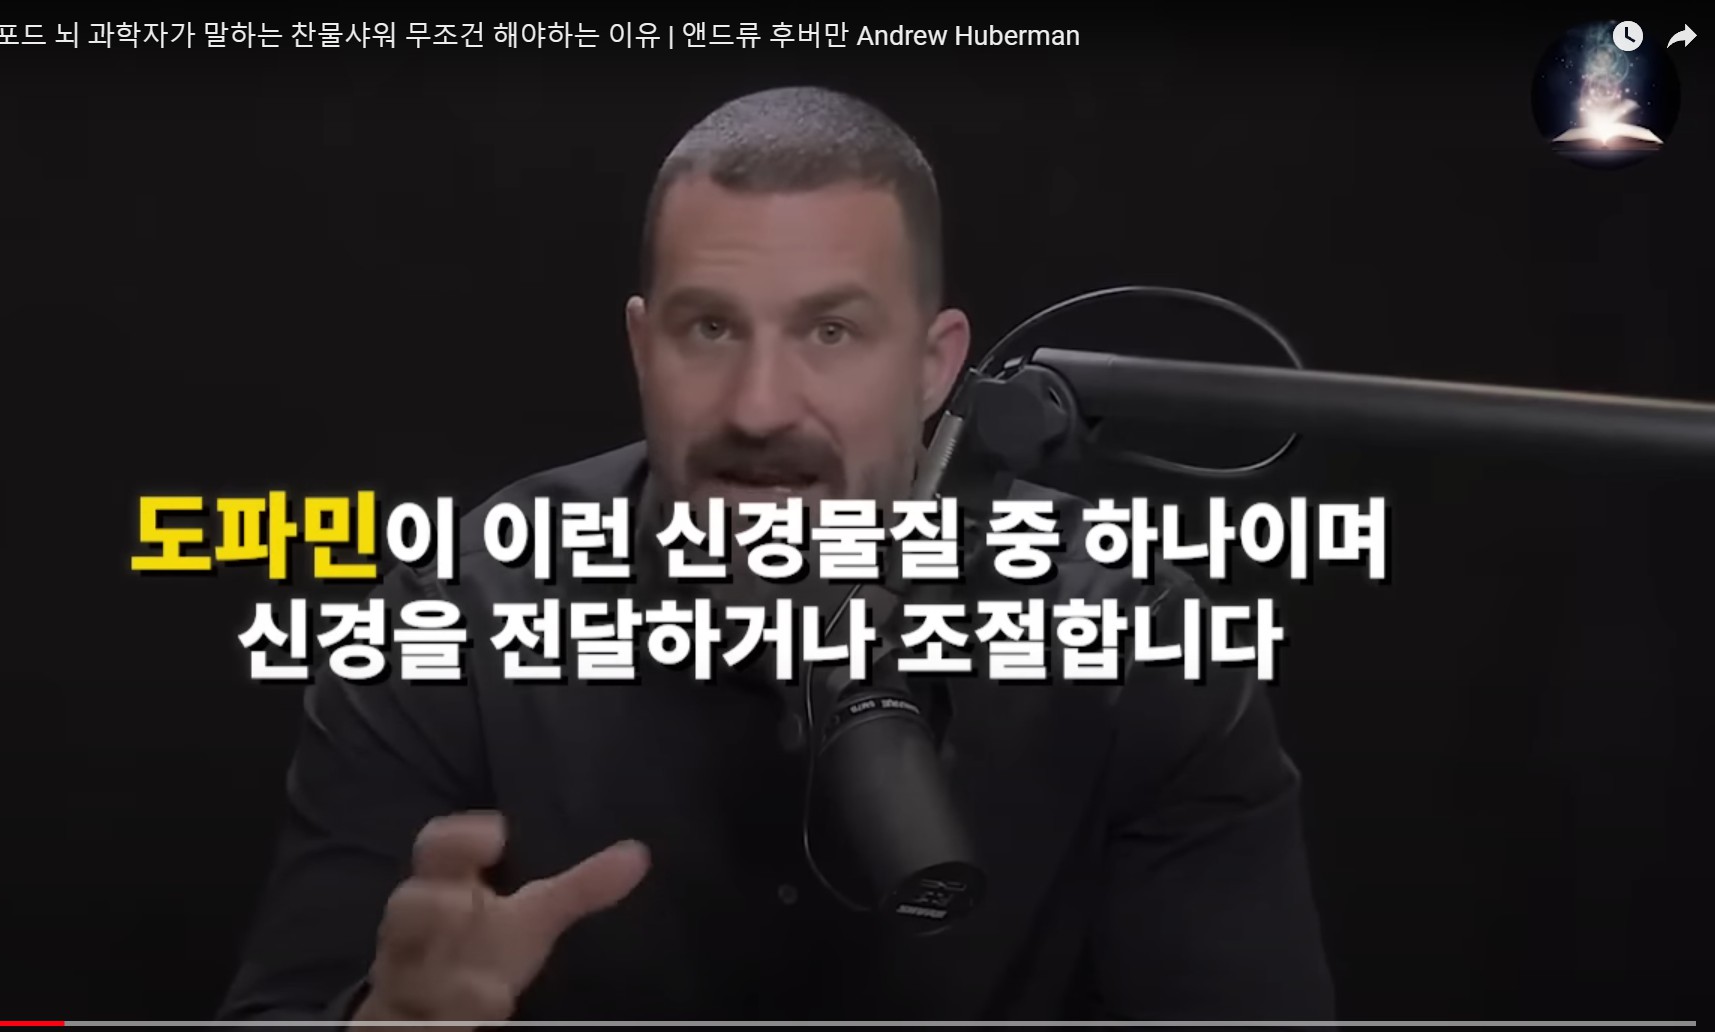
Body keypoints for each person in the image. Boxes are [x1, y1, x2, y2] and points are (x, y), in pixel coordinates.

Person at [217, 86, 1334, 1023]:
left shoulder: (1135, 642)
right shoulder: (454, 621)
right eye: (710, 329)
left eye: (830, 332)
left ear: (935, 365)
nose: (759, 407)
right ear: (642, 347)